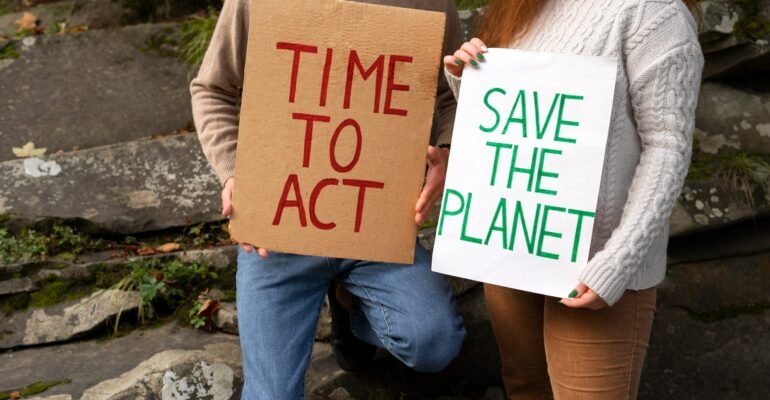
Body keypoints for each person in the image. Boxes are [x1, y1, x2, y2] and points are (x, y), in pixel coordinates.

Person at [190, 0, 466, 398]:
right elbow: (212, 89)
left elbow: (449, 93)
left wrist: (447, 148)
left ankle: (350, 306)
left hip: (374, 225)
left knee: (435, 342)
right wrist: (235, 171)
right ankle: (345, 298)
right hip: (279, 231)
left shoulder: (431, 3)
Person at [443, 0, 703, 399]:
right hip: (512, 248)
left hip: (594, 271)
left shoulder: (655, 15)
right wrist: (471, 81)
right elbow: (518, 130)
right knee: (525, 387)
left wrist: (617, 262)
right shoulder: (523, 8)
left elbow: (668, 147)